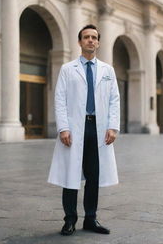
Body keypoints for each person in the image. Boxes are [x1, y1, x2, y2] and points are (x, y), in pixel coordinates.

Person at [48, 24, 120, 236]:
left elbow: (114, 100)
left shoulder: (108, 70)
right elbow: (60, 99)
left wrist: (113, 126)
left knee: (93, 175)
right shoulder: (67, 69)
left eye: (94, 37)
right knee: (70, 176)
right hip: (75, 128)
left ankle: (91, 218)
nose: (90, 40)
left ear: (98, 42)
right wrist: (63, 128)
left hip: (98, 128)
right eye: (86, 37)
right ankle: (69, 219)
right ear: (80, 42)